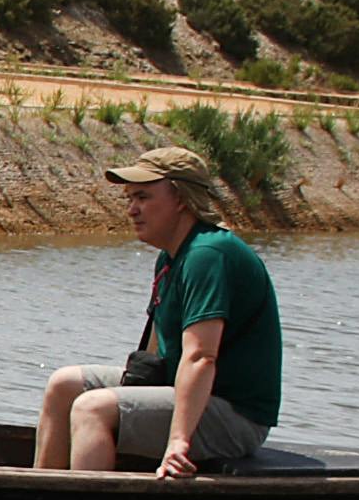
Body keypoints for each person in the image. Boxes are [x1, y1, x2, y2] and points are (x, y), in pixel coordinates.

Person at [37, 147, 283, 476]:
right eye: (129, 199)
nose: (131, 210)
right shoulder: (171, 256)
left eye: (143, 197)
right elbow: (157, 349)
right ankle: (42, 495)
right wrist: (130, 394)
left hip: (236, 416)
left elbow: (201, 357)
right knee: (64, 385)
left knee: (92, 409)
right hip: (184, 394)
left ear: (181, 198)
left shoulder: (209, 255)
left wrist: (178, 441)